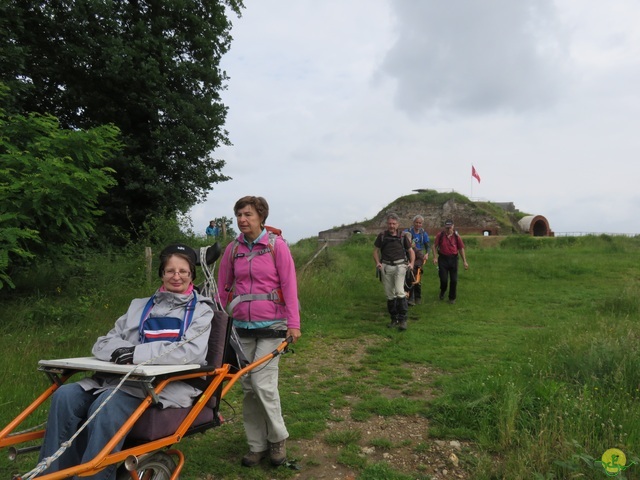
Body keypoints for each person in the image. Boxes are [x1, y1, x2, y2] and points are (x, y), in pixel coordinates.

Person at [37, 244, 214, 480]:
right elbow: (103, 343)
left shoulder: (202, 311)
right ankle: (53, 474)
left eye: (183, 271)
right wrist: (119, 352)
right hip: (118, 379)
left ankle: (94, 476)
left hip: (168, 385)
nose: (176, 276)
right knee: (65, 395)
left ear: (192, 275)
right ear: (161, 273)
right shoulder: (138, 306)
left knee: (108, 404)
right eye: (170, 271)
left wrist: (134, 354)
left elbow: (190, 351)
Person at [217, 196, 301, 468]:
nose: (242, 219)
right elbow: (223, 287)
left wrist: (294, 323)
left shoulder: (277, 247)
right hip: (241, 328)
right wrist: (218, 320)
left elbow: (289, 286)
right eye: (239, 214)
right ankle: (256, 445)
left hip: (273, 327)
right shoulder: (233, 249)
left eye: (248, 214)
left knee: (262, 384)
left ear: (260, 217)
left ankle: (277, 438)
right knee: (248, 388)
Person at [373, 213, 415, 331]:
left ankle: (403, 320)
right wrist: (378, 263)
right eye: (390, 223)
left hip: (400, 266)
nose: (391, 226)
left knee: (400, 291)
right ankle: (393, 319)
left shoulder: (403, 236)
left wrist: (411, 263)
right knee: (389, 294)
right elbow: (375, 251)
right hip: (386, 266)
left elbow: (411, 251)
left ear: (398, 224)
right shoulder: (382, 236)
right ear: (387, 224)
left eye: (394, 224)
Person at [431, 219, 469, 304]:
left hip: (453, 259)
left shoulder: (456, 236)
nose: (448, 229)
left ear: (453, 227)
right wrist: (435, 257)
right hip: (443, 259)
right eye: (447, 228)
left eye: (450, 227)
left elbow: (461, 248)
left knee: (454, 280)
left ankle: (452, 298)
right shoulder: (440, 235)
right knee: (444, 279)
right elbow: (434, 246)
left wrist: (464, 261)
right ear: (445, 227)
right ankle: (443, 290)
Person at [403, 215, 430, 306]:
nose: (418, 224)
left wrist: (427, 253)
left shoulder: (423, 234)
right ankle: (406, 296)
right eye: (416, 222)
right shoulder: (407, 232)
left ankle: (416, 297)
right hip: (407, 253)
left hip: (418, 256)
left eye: (420, 223)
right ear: (413, 223)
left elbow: (427, 246)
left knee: (416, 278)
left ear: (422, 224)